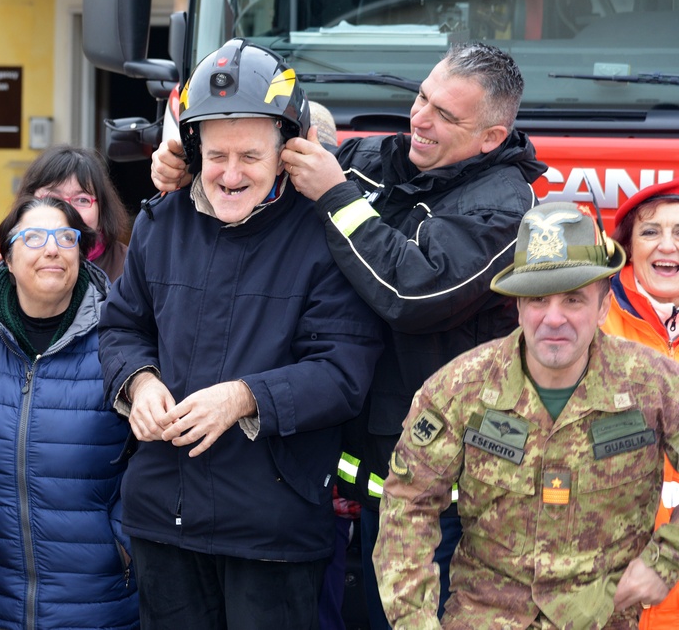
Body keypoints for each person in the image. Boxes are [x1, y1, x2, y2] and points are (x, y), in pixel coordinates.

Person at [152, 41, 544, 628]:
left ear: (491, 137)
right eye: (422, 97)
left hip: (455, 504)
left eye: (446, 115)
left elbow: (412, 293)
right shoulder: (377, 161)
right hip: (368, 483)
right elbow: (258, 152)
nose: (420, 119)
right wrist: (183, 159)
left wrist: (337, 196)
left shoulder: (506, 210)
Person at [100, 38, 382, 630]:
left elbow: (343, 373)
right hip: (162, 519)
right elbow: (123, 327)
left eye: (251, 156)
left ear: (288, 152)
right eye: (217, 154)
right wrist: (138, 382)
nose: (230, 174)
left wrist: (244, 397)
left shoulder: (325, 237)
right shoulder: (160, 221)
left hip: (274, 528)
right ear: (194, 147)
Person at [373, 200, 679, 628]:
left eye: (573, 299)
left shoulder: (657, 384)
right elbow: (408, 504)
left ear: (604, 307)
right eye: (537, 299)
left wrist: (664, 561)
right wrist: (416, 622)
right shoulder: (461, 389)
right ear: (517, 307)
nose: (554, 319)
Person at [0, 196, 138, 630]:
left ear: (82, 251)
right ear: (8, 259)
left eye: (66, 238)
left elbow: (151, 451)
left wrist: (122, 542)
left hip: (99, 603)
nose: (52, 249)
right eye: (33, 237)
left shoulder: (121, 336)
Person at [603, 179, 679, 630]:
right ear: (628, 245)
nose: (667, 245)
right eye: (651, 232)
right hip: (612, 574)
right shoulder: (589, 319)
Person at [0, 144, 130, 306]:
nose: (67, 210)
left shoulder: (128, 266)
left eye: (82, 199)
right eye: (53, 197)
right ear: (27, 203)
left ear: (102, 210)